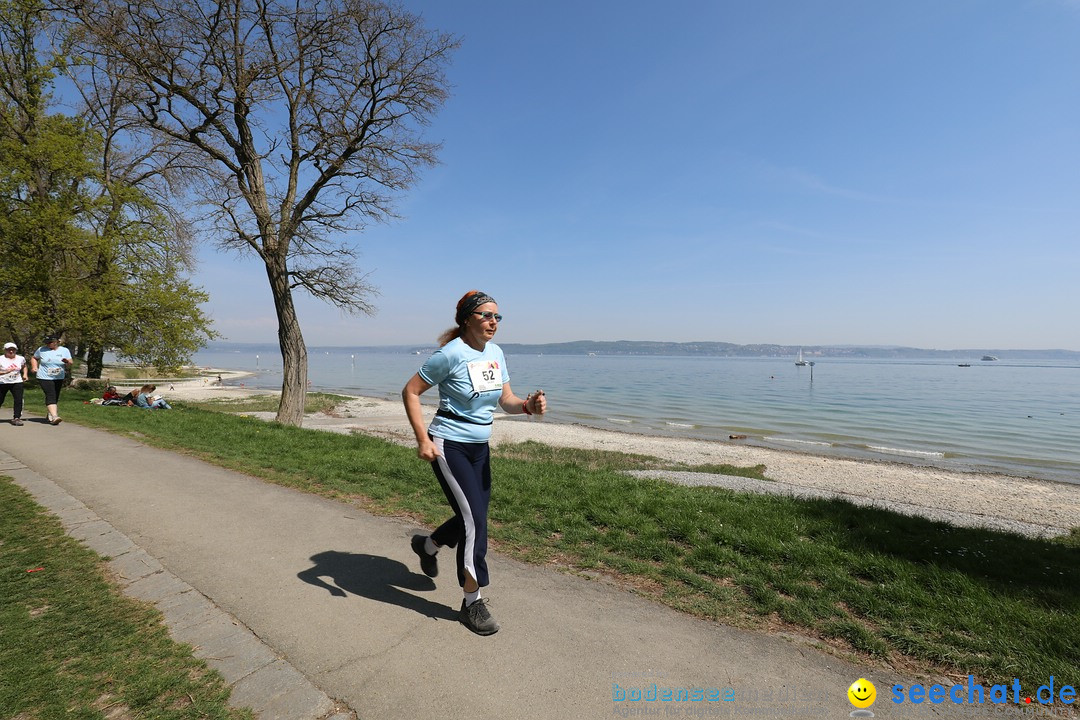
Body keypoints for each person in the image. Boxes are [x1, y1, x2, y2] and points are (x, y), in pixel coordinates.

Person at [402, 290, 547, 636]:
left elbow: (507, 400)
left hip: (480, 448)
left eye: (497, 316)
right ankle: (472, 602)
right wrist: (422, 439)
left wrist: (528, 406)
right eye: (485, 315)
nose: (492, 322)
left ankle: (427, 545)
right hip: (448, 445)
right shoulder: (449, 354)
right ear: (467, 318)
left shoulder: (495, 353)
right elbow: (410, 391)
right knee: (475, 524)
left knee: (474, 514)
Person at [30, 335, 73, 425]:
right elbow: (34, 358)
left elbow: (70, 362)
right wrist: (34, 367)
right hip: (44, 376)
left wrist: (66, 362)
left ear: (57, 342)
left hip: (58, 376)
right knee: (51, 394)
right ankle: (55, 416)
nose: (48, 344)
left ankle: (50, 414)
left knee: (55, 395)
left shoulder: (64, 350)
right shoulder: (41, 349)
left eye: (50, 342)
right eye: (47, 342)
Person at [0, 342, 29, 425]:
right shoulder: (1, 359)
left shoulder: (20, 358)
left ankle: (17, 418)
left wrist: (25, 374)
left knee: (18, 399)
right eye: (9, 350)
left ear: (16, 350)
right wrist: (5, 371)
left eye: (13, 350)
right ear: (5, 350)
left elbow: (24, 366)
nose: (11, 351)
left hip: (17, 381)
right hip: (2, 382)